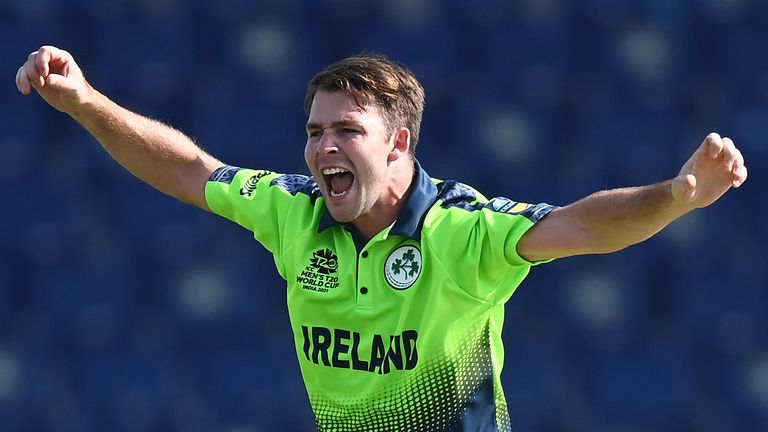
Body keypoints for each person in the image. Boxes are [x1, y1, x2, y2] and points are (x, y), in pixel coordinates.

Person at [16, 45, 747, 431]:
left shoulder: (459, 231)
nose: (322, 148)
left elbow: (584, 224)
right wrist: (85, 102)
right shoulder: (292, 212)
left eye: (345, 131)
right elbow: (188, 171)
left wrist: (678, 195)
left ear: (398, 142)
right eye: (313, 132)